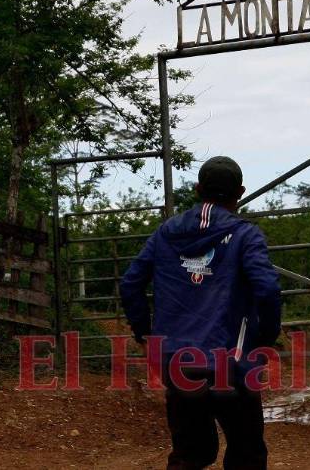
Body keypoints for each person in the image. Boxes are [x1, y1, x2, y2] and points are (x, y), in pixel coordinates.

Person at [120, 156, 281, 470]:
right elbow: (268, 289)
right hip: (232, 363)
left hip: (178, 361)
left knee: (190, 454)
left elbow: (131, 283)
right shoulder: (245, 235)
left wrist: (144, 334)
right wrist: (265, 338)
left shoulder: (166, 233)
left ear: (197, 189)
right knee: (246, 454)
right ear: (241, 192)